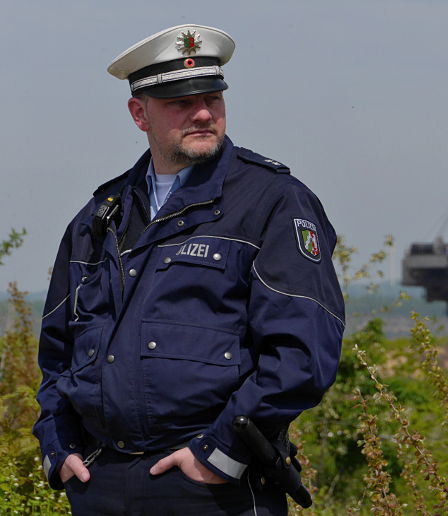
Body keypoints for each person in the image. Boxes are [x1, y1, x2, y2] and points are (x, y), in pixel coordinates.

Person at [32, 24, 344, 515]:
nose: (202, 113)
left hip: (214, 486)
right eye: (180, 102)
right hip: (99, 483)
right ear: (140, 113)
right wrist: (59, 448)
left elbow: (302, 354)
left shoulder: (273, 201)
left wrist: (221, 456)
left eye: (212, 98)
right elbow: (57, 352)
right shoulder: (101, 215)